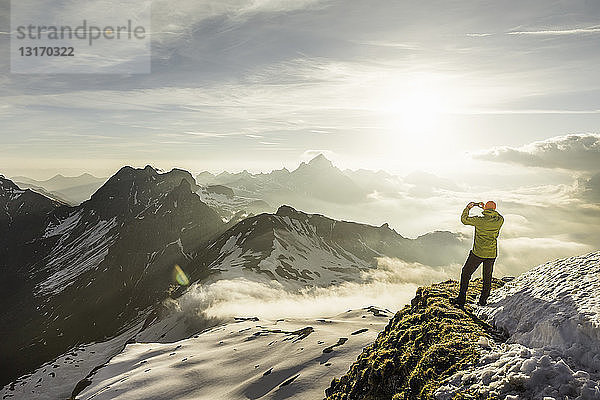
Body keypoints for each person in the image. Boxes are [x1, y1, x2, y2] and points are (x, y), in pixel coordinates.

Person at [453, 200, 504, 308]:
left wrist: (468, 208)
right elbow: (497, 215)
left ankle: (461, 299)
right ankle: (482, 301)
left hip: (478, 253)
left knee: (466, 273)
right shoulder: (499, 220)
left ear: (486, 208)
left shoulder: (480, 220)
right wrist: (486, 209)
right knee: (487, 278)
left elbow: (464, 220)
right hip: (491, 254)